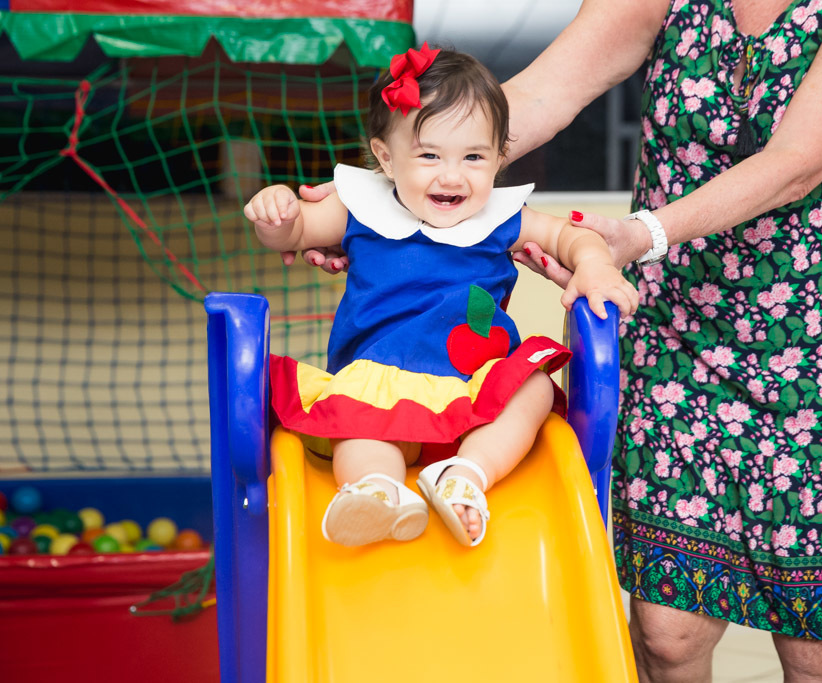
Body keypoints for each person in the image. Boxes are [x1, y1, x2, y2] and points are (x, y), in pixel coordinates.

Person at [295, 1, 822, 681]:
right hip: (676, 318)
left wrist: (644, 234)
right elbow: (530, 100)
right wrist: (383, 205)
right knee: (669, 633)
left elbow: (800, 157)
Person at [244, 44, 638, 550]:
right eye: (429, 155)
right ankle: (378, 491)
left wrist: (596, 264)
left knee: (535, 387)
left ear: (499, 160)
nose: (452, 176)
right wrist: (277, 213)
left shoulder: (499, 218)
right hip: (380, 383)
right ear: (386, 157)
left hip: (474, 393)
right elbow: (294, 232)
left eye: (474, 157)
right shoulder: (360, 209)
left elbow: (572, 237)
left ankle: (467, 476)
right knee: (361, 435)